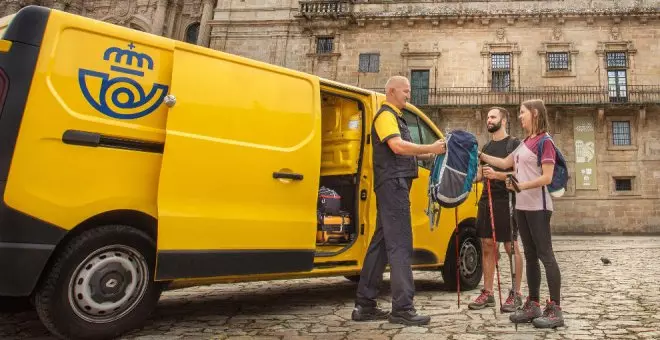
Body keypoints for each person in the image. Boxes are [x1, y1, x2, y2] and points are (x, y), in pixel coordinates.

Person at [352, 76, 446, 326]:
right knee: (401, 245)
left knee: (381, 244)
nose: (409, 95)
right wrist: (430, 148)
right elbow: (397, 147)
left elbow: (407, 149)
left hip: (394, 185)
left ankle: (365, 305)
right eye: (405, 91)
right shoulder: (385, 116)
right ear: (392, 91)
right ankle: (403, 308)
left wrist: (433, 153)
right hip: (393, 185)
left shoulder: (395, 116)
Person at [478, 99, 564, 329]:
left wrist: (519, 186)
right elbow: (506, 163)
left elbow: (546, 177)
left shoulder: (545, 141)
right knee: (530, 256)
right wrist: (481, 155)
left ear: (534, 113)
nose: (520, 116)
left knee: (546, 255)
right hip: (522, 206)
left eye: (523, 112)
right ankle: (533, 304)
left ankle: (555, 308)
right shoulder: (525, 142)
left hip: (539, 206)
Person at [468, 107, 524, 313]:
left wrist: (497, 175)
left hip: (506, 199)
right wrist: (462, 181)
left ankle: (516, 293)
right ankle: (488, 293)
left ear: (504, 120)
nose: (489, 120)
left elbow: (520, 174)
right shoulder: (486, 147)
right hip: (486, 199)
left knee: (511, 247)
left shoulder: (514, 144)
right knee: (487, 245)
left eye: (493, 117)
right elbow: (480, 175)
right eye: (488, 117)